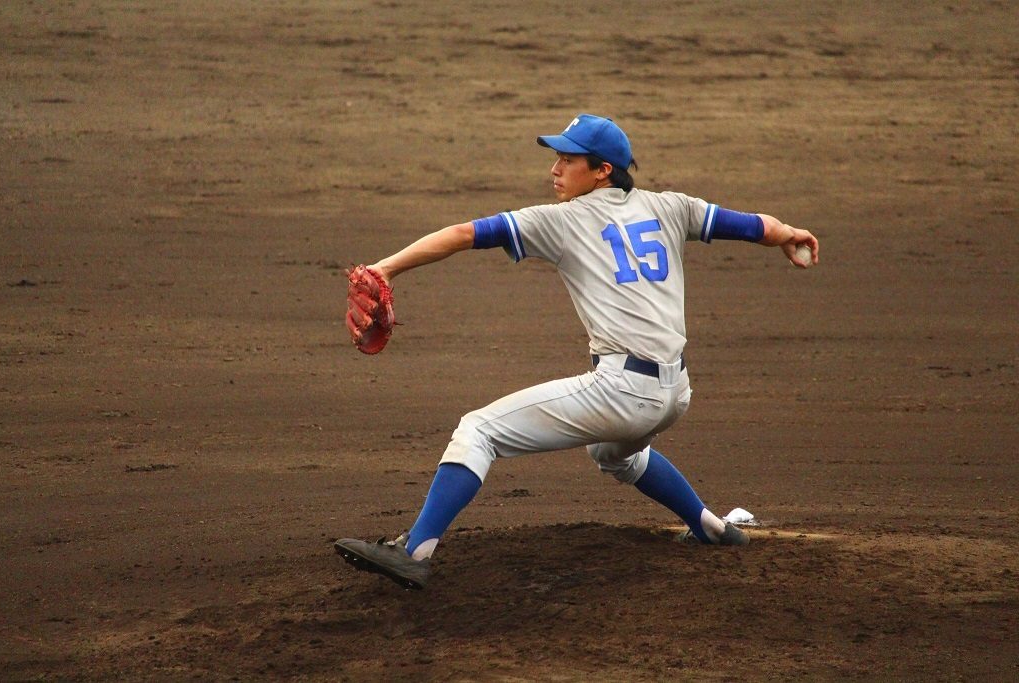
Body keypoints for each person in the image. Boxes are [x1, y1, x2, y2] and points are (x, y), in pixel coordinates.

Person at [335, 114, 819, 589]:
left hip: (623, 391)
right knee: (615, 455)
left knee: (478, 429)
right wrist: (788, 235)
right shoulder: (672, 207)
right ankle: (712, 527)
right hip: (675, 393)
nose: (554, 169)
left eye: (568, 159)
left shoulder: (562, 221)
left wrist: (387, 267)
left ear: (602, 169)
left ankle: (415, 551)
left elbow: (465, 235)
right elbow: (752, 225)